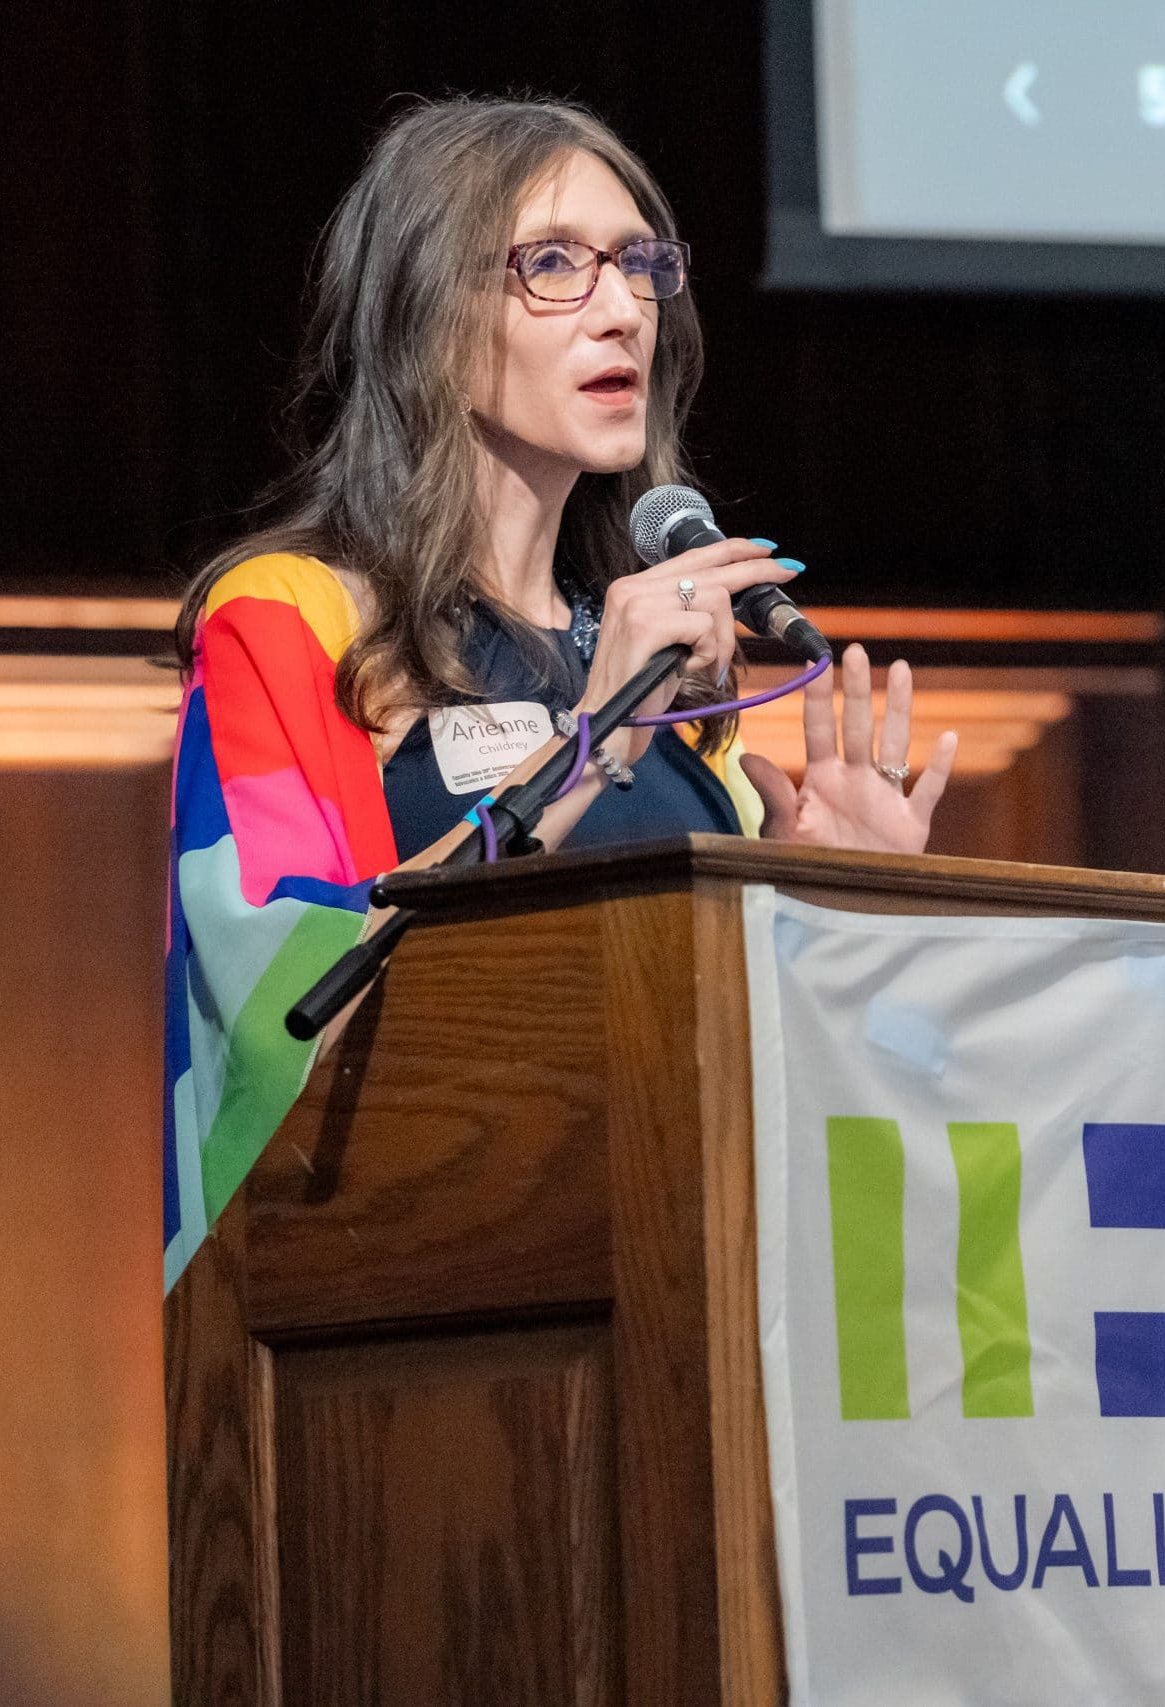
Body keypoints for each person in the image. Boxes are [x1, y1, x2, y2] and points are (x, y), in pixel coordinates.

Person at [160, 96, 958, 1289]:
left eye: (640, 264)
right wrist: (588, 744)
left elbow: (759, 1062)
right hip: (406, 1286)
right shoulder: (292, 621)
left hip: (686, 1267)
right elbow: (289, 1002)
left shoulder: (664, 666)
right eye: (554, 266)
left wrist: (839, 909)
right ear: (428, 314)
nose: (626, 306)